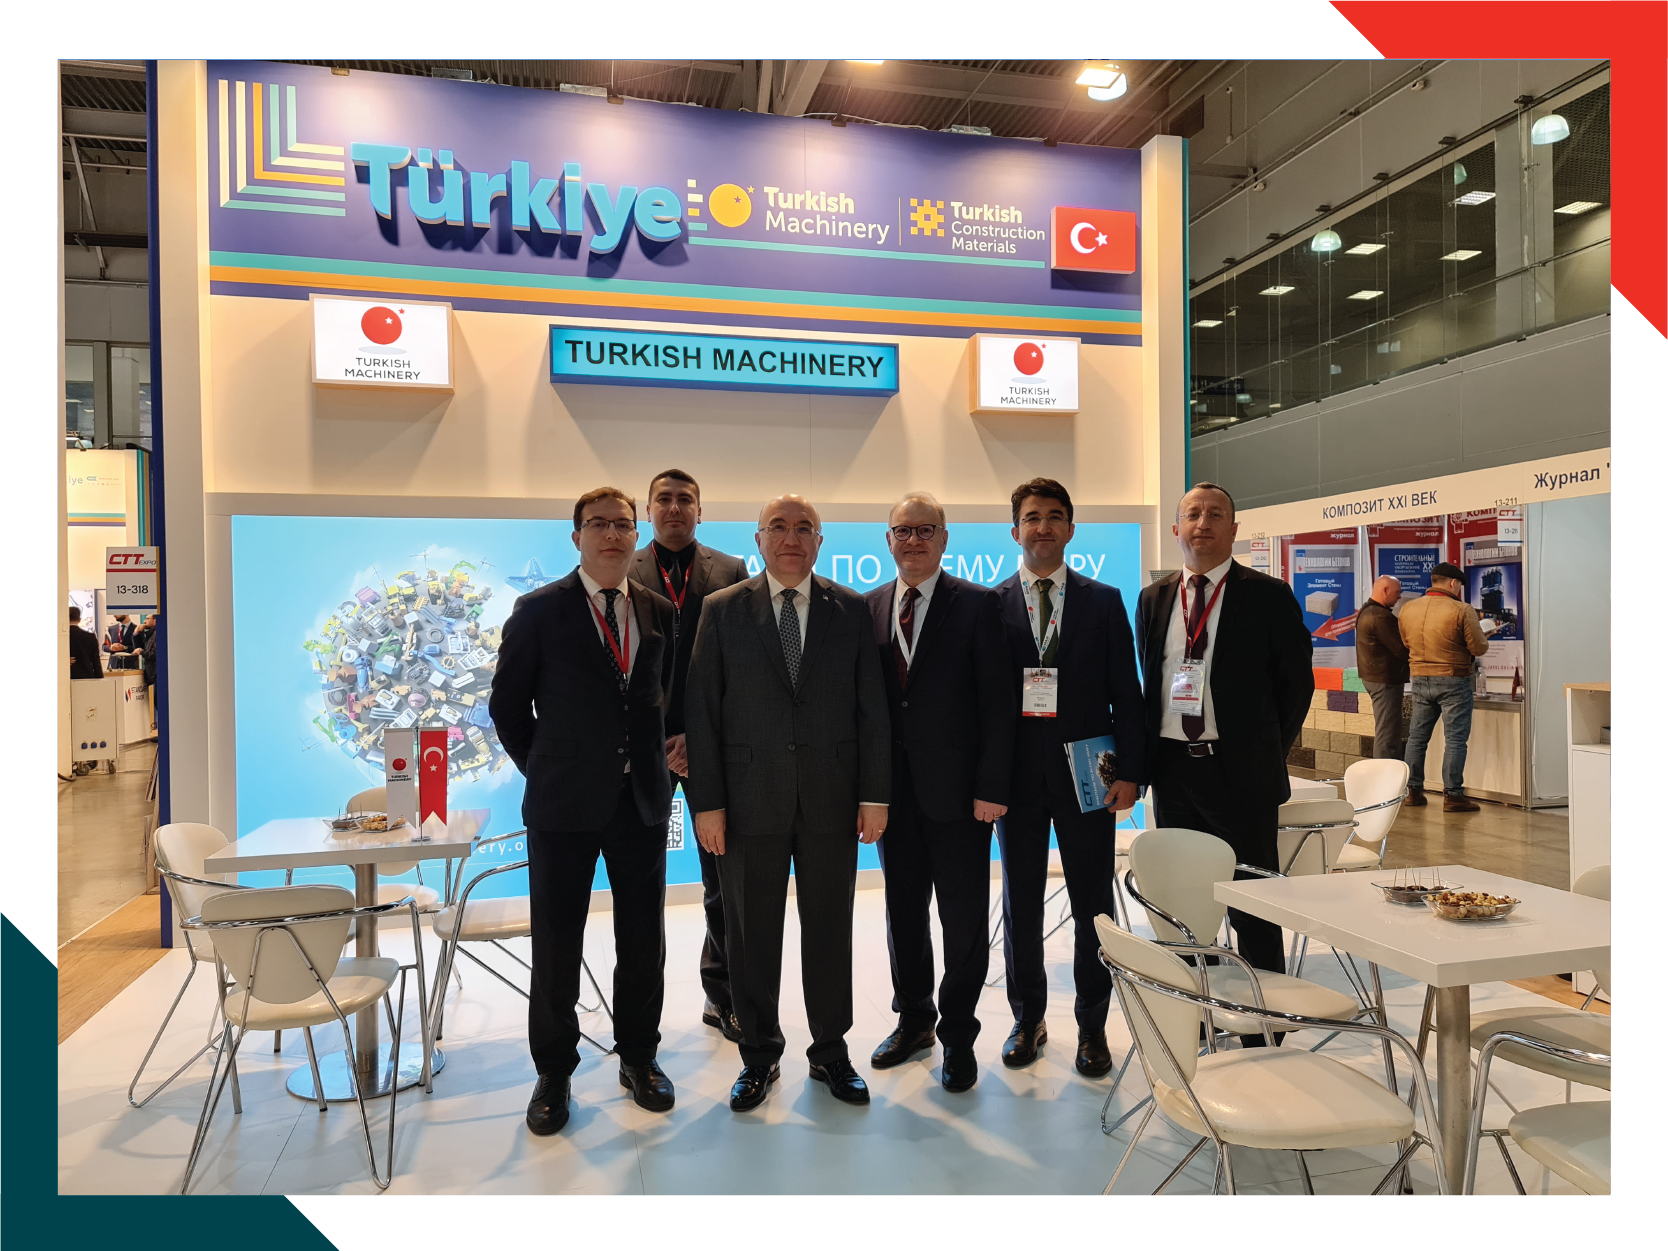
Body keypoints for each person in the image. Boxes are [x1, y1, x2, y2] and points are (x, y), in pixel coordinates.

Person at [684, 494, 890, 1112]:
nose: (791, 538)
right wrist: (707, 804)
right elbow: (702, 712)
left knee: (829, 930)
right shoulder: (722, 609)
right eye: (778, 527)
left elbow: (871, 709)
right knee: (750, 937)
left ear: (820, 542)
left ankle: (830, 1051)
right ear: (759, 539)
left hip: (832, 800)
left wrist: (874, 795)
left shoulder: (850, 609)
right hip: (747, 804)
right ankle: (758, 1055)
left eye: (804, 528)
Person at [489, 486, 679, 1136]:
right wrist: (547, 767)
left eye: (623, 524)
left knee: (643, 939)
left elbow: (658, 699)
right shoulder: (539, 610)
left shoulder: (657, 609)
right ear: (577, 537)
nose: (612, 534)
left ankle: (640, 1056)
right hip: (563, 803)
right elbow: (507, 707)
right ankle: (554, 1071)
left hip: (641, 802)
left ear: (636, 535)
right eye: (598, 524)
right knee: (557, 940)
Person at [993, 478, 1146, 1077]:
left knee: (1092, 905)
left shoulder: (1103, 601)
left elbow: (1126, 694)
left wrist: (1130, 772)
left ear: (1071, 529)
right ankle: (1027, 1018)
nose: (1044, 527)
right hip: (1016, 781)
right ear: (1015, 530)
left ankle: (1092, 1027)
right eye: (1032, 517)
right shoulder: (992, 603)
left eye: (1055, 516)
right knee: (1021, 903)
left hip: (1088, 777)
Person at [862, 491, 1015, 1093]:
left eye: (926, 530)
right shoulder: (869, 607)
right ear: (888, 540)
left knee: (963, 921)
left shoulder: (978, 604)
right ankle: (914, 1022)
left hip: (961, 800)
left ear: (944, 538)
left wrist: (991, 787)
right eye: (903, 531)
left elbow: (999, 704)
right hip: (892, 799)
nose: (914, 540)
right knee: (903, 915)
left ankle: (958, 1036)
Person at [1136, 483, 1313, 988]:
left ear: (1234, 530)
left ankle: (1267, 1014)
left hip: (1240, 775)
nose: (1203, 523)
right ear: (1176, 529)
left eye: (1216, 514)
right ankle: (1198, 1005)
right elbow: (1152, 681)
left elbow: (1295, 686)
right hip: (1172, 772)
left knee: (1253, 903)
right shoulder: (1154, 599)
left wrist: (1262, 752)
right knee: (1183, 902)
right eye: (1193, 514)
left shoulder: (1268, 595)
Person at [627, 468, 750, 1044]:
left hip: (711, 747)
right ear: (649, 510)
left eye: (685, 500)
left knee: (722, 882)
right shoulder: (621, 569)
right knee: (640, 888)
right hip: (642, 751)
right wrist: (657, 737)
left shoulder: (730, 570)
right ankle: (640, 1023)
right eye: (664, 499)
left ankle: (722, 995)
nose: (674, 508)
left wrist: (698, 738)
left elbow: (742, 667)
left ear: (701, 510)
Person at [1399, 562, 1490, 812]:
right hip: (1453, 679)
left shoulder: (1408, 608)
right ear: (1452, 583)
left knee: (1417, 738)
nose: (1459, 589)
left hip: (1419, 677)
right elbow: (1478, 647)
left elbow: (1406, 642)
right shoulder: (1462, 610)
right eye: (1459, 585)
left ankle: (1413, 791)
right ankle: (1452, 795)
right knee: (1455, 740)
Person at [1355, 575, 1409, 761]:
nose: (1399, 597)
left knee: (1388, 732)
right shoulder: (1379, 616)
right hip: (1385, 680)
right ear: (1385, 591)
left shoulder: (1367, 611)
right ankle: (1385, 774)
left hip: (1376, 677)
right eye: (1397, 592)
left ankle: (1386, 772)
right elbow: (1401, 649)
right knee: (1388, 735)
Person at [68, 606, 102, 678]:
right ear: (79, 620)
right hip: (86, 675)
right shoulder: (90, 636)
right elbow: (96, 661)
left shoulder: (60, 638)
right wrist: (99, 678)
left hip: (64, 675)